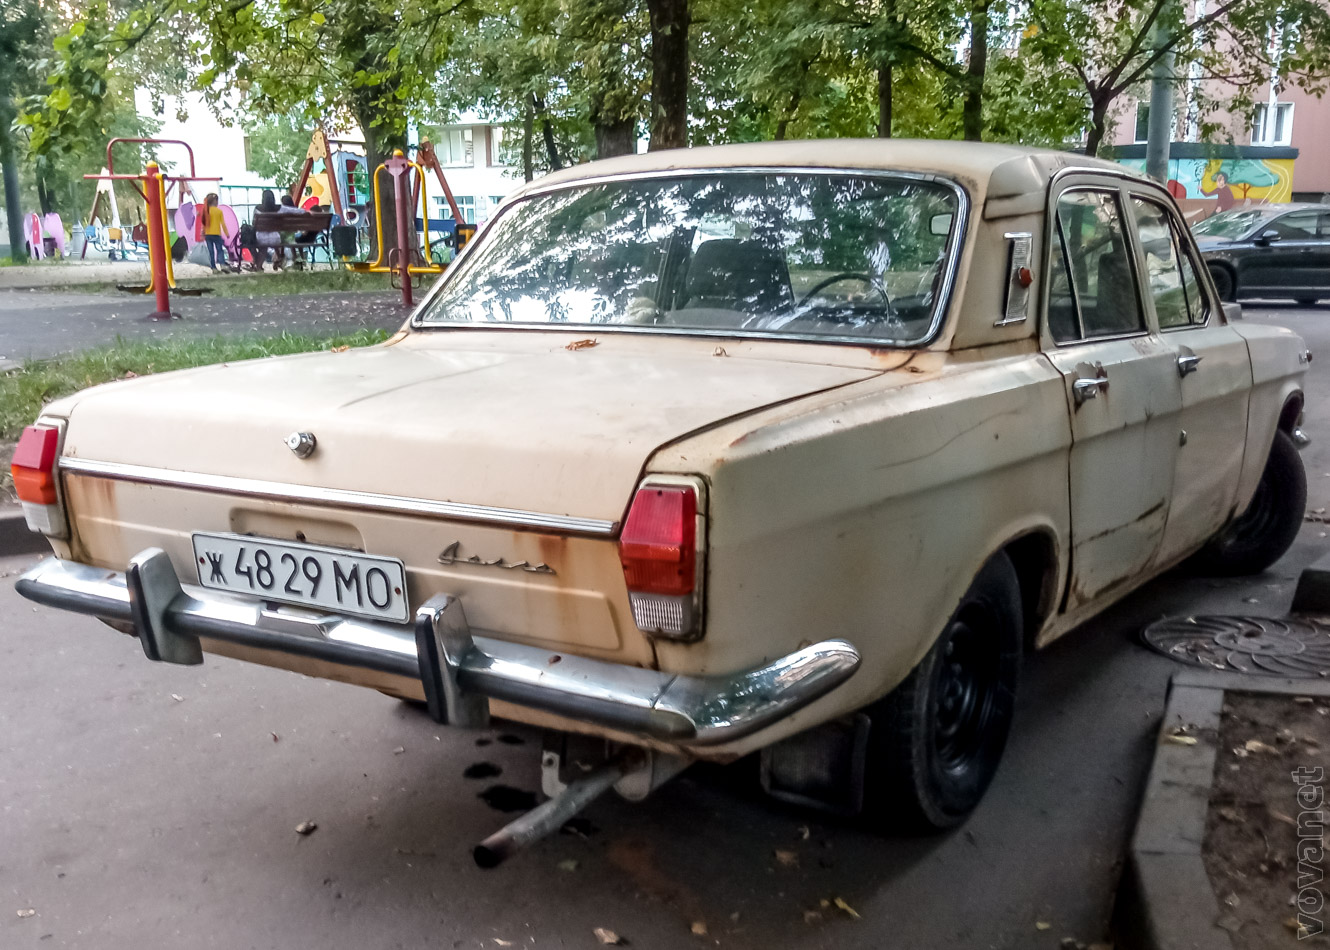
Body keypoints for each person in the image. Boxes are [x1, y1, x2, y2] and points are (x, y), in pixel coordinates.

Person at [201, 193, 233, 272]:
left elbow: (203, 224)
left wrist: (202, 234)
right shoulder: (218, 211)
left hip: (208, 235)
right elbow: (223, 224)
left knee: (211, 252)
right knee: (219, 250)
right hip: (216, 234)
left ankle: (213, 268)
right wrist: (227, 233)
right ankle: (222, 264)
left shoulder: (206, 211)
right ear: (215, 201)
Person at [253, 189, 282, 270]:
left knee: (263, 247)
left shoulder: (258, 208)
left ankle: (259, 266)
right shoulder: (278, 208)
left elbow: (254, 224)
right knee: (278, 243)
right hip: (275, 238)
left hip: (261, 238)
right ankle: (278, 258)